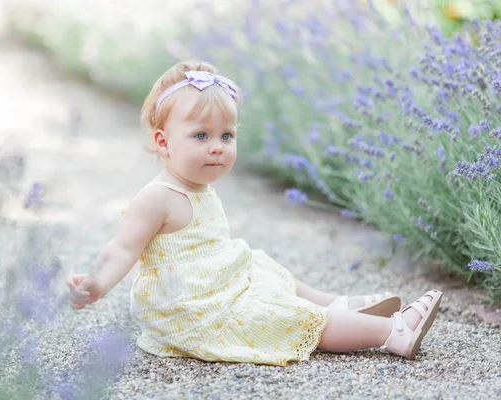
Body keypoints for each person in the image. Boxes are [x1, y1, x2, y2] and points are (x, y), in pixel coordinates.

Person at [66, 61, 443, 366]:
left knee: (259, 266)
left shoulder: (198, 187)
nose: (217, 147)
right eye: (201, 136)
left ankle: (334, 303)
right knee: (282, 318)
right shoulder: (156, 198)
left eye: (226, 136)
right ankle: (391, 332)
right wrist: (96, 284)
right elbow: (122, 248)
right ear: (163, 142)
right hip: (192, 312)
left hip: (215, 287)